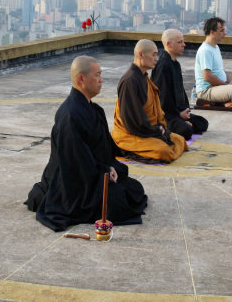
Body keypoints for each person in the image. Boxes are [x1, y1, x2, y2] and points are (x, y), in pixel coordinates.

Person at [25, 56, 147, 232]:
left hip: (93, 171)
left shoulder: (93, 109)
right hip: (74, 181)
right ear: (81, 79)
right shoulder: (70, 115)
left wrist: (110, 166)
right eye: (97, 75)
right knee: (119, 201)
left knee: (134, 189)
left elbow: (104, 148)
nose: (101, 79)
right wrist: (104, 171)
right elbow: (76, 161)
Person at [111, 39, 188, 162]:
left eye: (157, 54)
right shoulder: (130, 81)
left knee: (180, 140)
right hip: (131, 134)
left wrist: (160, 128)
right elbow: (132, 121)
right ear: (141, 54)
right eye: (154, 54)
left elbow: (155, 112)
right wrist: (157, 131)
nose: (156, 58)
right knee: (164, 151)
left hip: (149, 129)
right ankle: (127, 151)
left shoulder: (143, 76)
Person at [151, 29, 209, 140]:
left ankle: (184, 124)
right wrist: (178, 115)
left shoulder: (175, 64)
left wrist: (185, 110)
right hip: (166, 115)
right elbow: (162, 99)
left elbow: (180, 91)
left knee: (203, 122)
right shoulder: (163, 65)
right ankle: (173, 127)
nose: (184, 45)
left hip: (177, 112)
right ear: (168, 44)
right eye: (180, 42)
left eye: (183, 42)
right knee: (185, 131)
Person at [195, 17, 232, 108]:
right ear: (212, 32)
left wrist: (230, 81)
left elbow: (220, 70)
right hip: (207, 91)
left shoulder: (215, 47)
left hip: (221, 86)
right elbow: (207, 77)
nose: (225, 33)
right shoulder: (205, 50)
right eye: (222, 31)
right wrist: (226, 85)